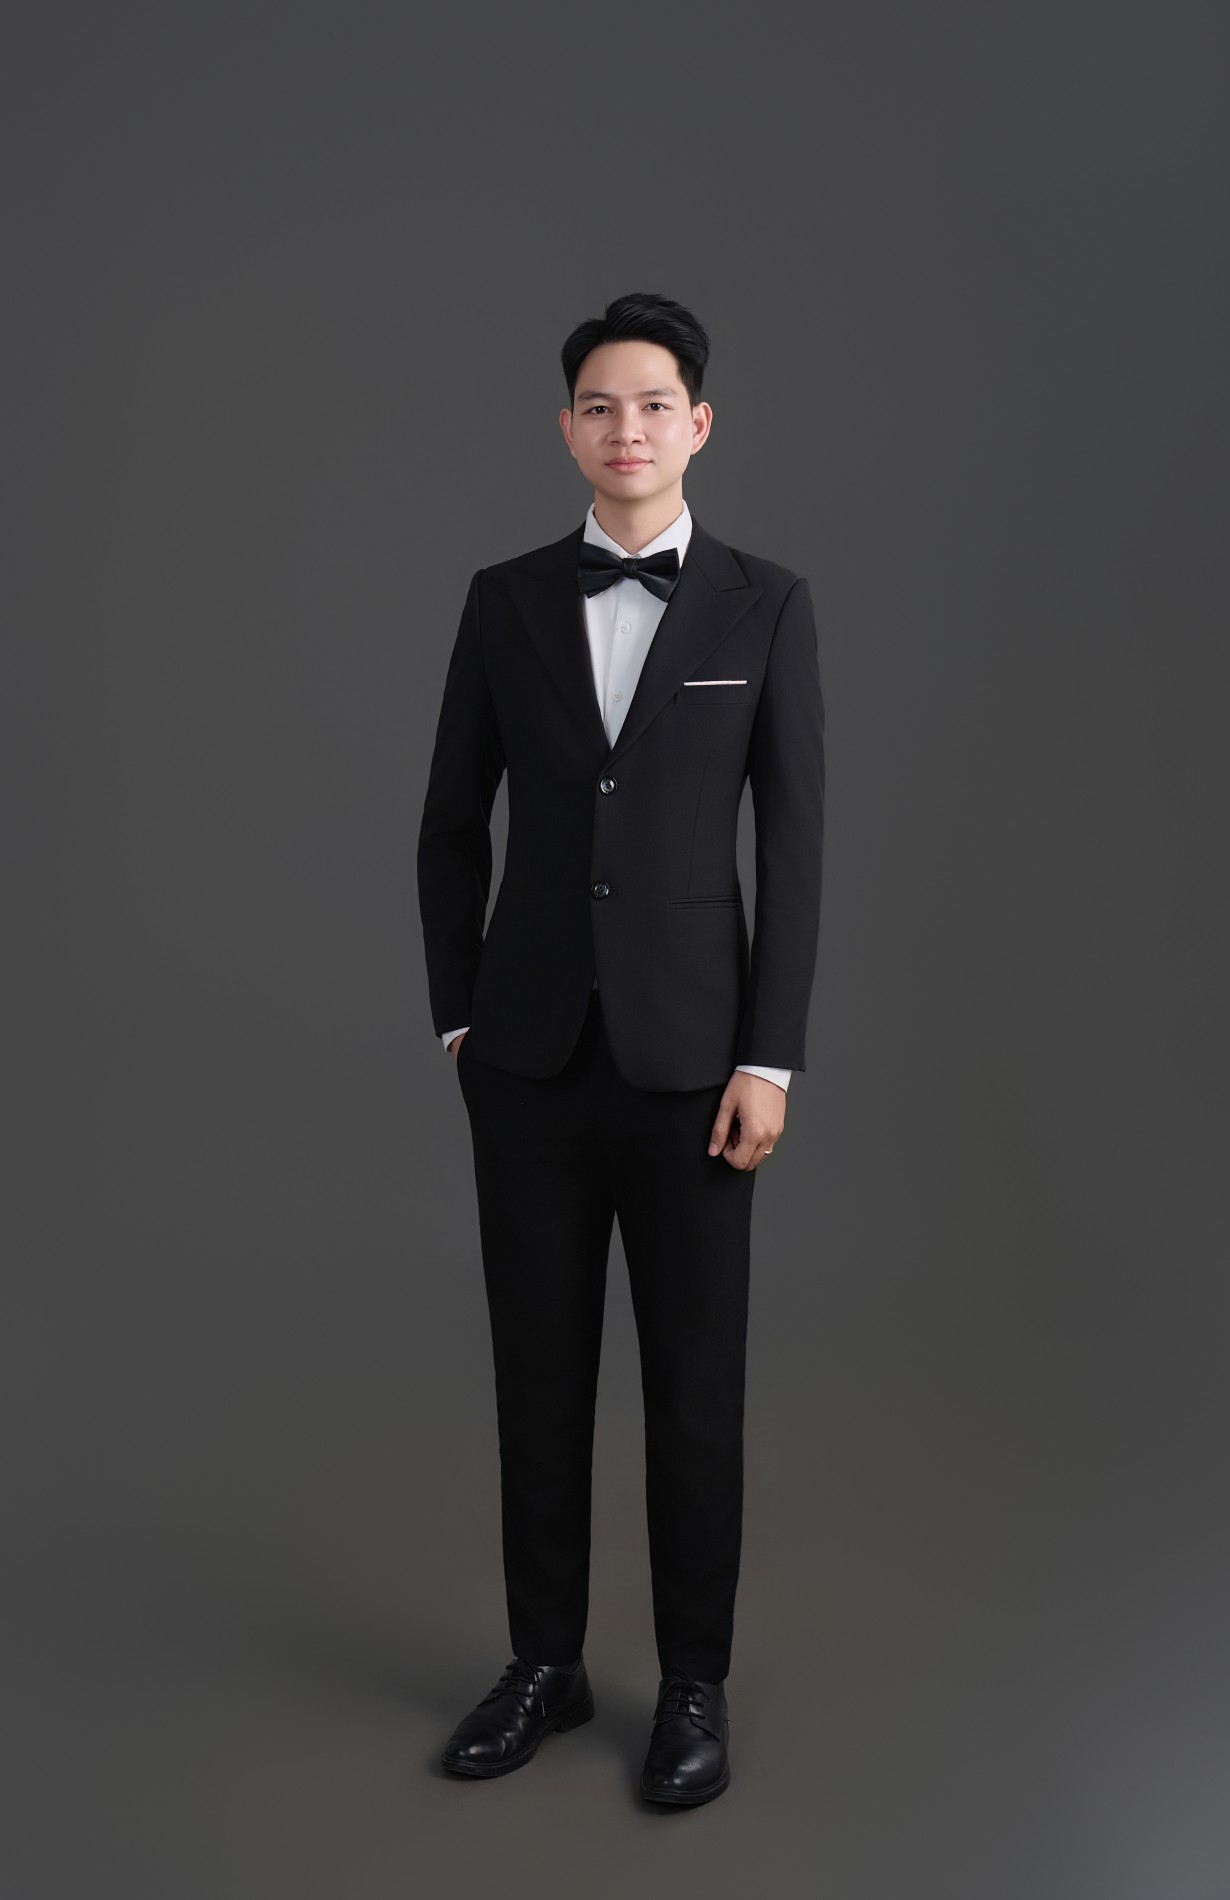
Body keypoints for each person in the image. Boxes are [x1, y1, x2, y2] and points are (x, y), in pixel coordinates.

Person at [416, 290, 825, 1805]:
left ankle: (692, 1684)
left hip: (696, 1072)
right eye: (600, 405)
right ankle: (546, 1662)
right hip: (526, 1064)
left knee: (693, 1393)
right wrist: (461, 1015)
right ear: (568, 428)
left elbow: (797, 846)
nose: (627, 427)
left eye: (653, 404)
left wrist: (770, 1059)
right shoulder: (503, 598)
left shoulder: (766, 603)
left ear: (697, 424)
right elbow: (449, 826)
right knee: (536, 1380)